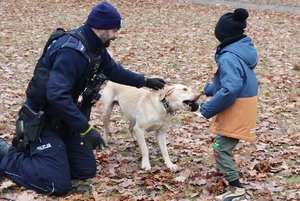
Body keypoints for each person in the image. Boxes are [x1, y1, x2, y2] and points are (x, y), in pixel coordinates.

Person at [0, 1, 165, 196]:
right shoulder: (71, 51)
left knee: (85, 170)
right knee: (57, 185)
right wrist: (86, 129)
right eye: (114, 30)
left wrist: (144, 81)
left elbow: (114, 71)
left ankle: (49, 156)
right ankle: (6, 154)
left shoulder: (94, 48)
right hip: (43, 121)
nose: (117, 35)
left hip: (65, 122)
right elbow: (56, 96)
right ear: (100, 27)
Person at [199, 8, 258, 200]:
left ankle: (236, 188)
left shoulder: (228, 57)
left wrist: (206, 109)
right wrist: (208, 88)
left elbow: (231, 89)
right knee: (222, 144)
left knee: (220, 147)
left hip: (237, 110)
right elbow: (232, 82)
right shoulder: (240, 50)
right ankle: (225, 170)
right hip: (243, 107)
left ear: (223, 35)